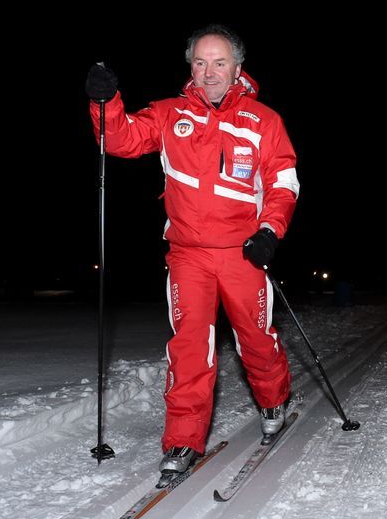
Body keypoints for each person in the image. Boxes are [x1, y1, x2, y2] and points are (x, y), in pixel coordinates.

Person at [85, 24, 299, 480]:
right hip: (188, 256)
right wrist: (105, 102)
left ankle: (274, 399)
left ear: (238, 67)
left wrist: (270, 231)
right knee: (189, 349)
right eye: (200, 63)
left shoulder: (264, 121)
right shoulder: (169, 114)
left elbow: (283, 183)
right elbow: (119, 138)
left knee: (255, 342)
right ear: (190, 68)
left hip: (244, 253)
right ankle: (183, 441)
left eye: (219, 62)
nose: (208, 72)